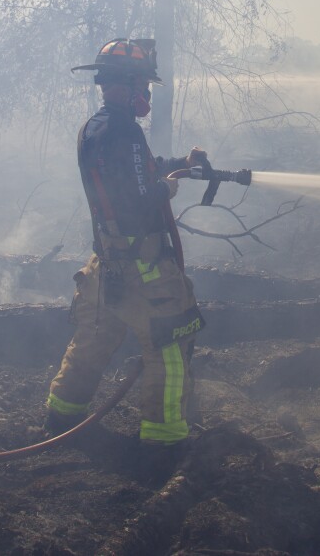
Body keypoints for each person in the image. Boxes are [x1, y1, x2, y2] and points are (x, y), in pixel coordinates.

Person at [45, 38, 206, 467]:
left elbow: (135, 174)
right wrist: (168, 187)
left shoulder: (96, 128)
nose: (148, 97)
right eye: (145, 87)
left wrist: (182, 165)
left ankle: (61, 416)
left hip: (106, 264)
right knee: (170, 347)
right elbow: (141, 195)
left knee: (93, 340)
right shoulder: (126, 132)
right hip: (144, 268)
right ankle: (165, 440)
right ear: (128, 84)